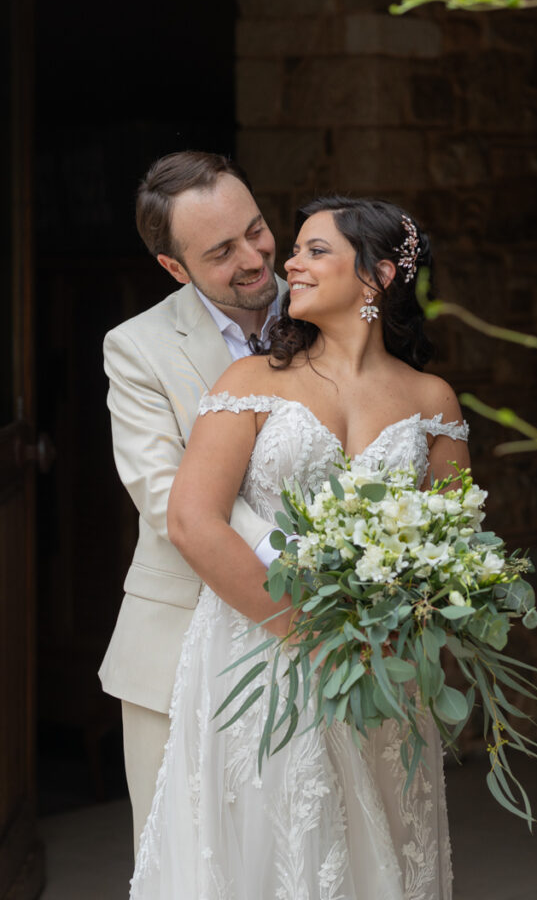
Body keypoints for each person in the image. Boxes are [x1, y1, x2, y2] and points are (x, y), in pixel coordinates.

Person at [129, 195, 471, 899]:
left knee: (384, 851)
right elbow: (193, 520)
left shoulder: (431, 398)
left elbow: (452, 542)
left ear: (377, 276)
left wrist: (396, 625)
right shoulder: (250, 382)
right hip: (261, 654)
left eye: (315, 251)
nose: (289, 264)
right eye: (295, 250)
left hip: (379, 667)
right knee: (271, 854)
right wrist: (308, 630)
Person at [99, 151, 288, 851]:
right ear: (174, 268)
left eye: (256, 229)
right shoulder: (137, 347)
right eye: (221, 251)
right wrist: (288, 552)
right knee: (181, 862)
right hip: (176, 644)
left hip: (322, 644)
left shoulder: (331, 311)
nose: (254, 258)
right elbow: (165, 492)